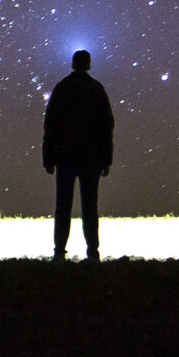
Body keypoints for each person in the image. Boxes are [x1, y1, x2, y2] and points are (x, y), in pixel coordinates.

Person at [41, 49, 115, 260]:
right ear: (89, 64)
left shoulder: (62, 88)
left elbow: (50, 125)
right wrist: (106, 158)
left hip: (65, 156)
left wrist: (48, 157)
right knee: (90, 206)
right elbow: (106, 126)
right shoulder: (96, 89)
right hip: (91, 157)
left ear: (73, 64)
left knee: (62, 205)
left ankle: (59, 251)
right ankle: (92, 250)